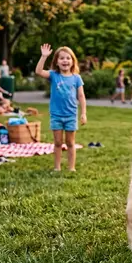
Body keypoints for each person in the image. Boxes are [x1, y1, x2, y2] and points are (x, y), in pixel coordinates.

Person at [35, 43, 87, 172]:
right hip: (56, 115)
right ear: (57, 62)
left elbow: (81, 96)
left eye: (68, 58)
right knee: (57, 143)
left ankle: (71, 167)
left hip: (71, 115)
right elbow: (38, 71)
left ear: (72, 61)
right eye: (62, 58)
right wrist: (43, 56)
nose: (65, 60)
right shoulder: (54, 75)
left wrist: (83, 113)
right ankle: (57, 167)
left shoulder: (76, 78)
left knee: (70, 143)